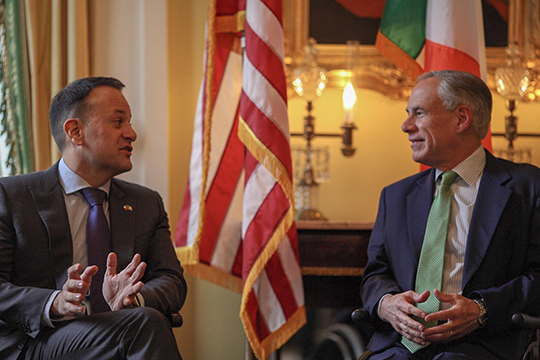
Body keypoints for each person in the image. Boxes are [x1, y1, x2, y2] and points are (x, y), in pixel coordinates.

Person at [0, 77, 187, 360]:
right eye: (118, 122)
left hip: (118, 330)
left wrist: (133, 298)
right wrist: (54, 302)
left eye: (130, 122)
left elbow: (171, 279)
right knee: (144, 326)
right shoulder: (11, 196)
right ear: (76, 132)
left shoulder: (146, 203)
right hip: (38, 341)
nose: (132, 133)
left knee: (142, 322)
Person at [360, 70, 540, 359]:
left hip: (486, 344)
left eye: (418, 113)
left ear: (461, 119)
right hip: (399, 347)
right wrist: (387, 303)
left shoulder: (526, 187)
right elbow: (375, 275)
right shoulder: (395, 196)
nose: (406, 126)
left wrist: (482, 310)